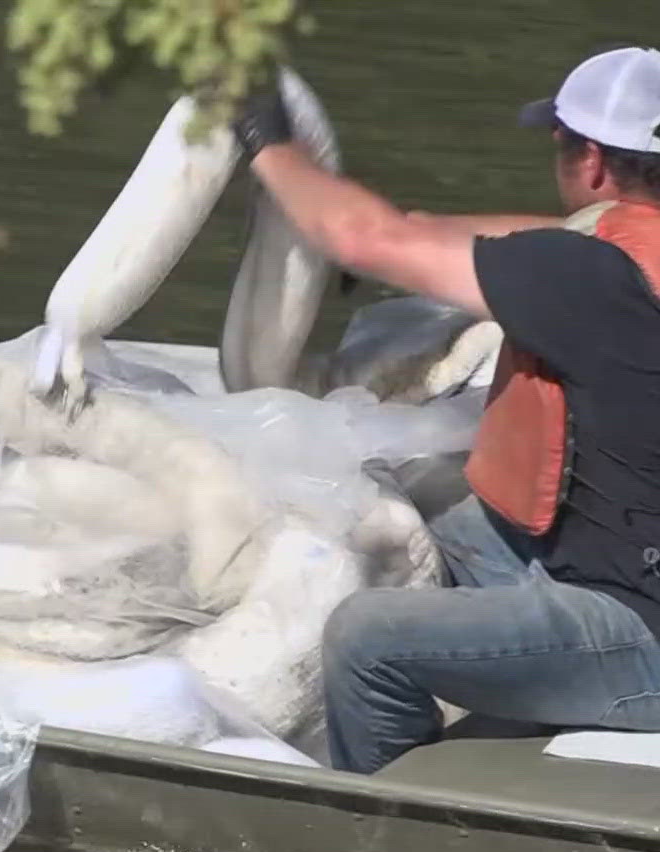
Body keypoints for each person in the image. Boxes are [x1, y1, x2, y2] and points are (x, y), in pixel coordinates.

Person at [228, 47, 660, 773]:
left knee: (367, 637)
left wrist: (265, 140)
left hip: (639, 632)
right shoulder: (613, 260)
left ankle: (386, 822)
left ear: (588, 160)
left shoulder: (586, 278)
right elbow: (462, 236)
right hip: (620, 564)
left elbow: (366, 236)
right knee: (443, 517)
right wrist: (398, 236)